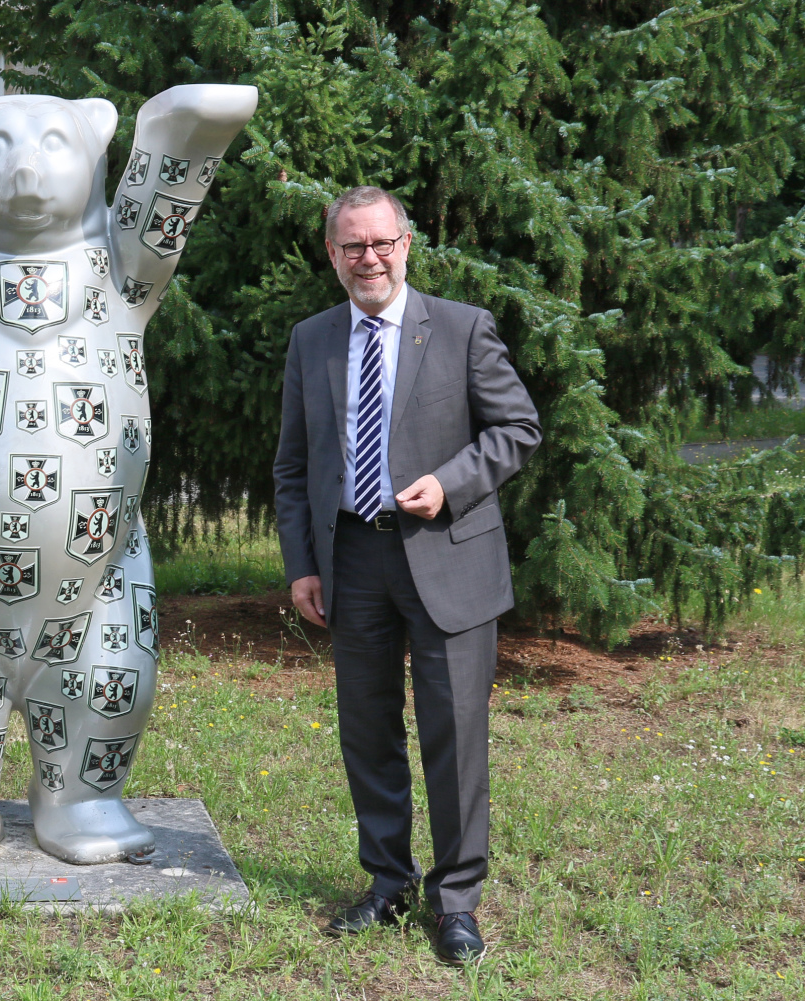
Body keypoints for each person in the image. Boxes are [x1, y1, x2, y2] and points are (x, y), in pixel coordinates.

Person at [272, 186, 541, 963]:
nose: (370, 258)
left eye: (382, 242)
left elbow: (518, 427)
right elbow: (294, 467)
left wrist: (451, 482)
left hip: (447, 553)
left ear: (407, 244)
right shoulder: (311, 339)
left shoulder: (460, 329)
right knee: (367, 728)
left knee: (454, 734)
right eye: (353, 246)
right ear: (332, 254)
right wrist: (301, 567)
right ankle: (388, 883)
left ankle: (456, 902)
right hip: (351, 560)